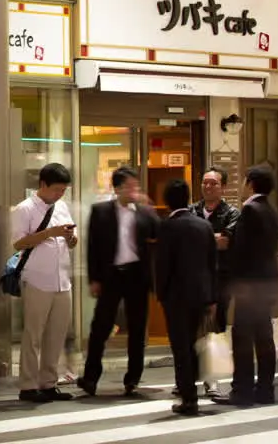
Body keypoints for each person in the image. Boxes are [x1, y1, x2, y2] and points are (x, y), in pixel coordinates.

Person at [78, 167, 159, 397]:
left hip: (136, 275)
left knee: (136, 328)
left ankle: (133, 378)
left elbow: (158, 233)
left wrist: (149, 207)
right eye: (128, 186)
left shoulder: (144, 212)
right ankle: (90, 377)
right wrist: (94, 278)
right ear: (116, 188)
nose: (133, 190)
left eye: (135, 185)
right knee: (100, 327)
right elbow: (92, 247)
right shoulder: (101, 211)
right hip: (111, 275)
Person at [215, 164, 278, 407]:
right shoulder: (271, 210)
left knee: (242, 338)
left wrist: (226, 247)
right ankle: (265, 389)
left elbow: (241, 250)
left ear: (251, 183)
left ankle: (242, 390)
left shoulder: (250, 209)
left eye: (244, 181)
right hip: (268, 282)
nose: (242, 186)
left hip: (250, 284)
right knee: (264, 337)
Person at [10, 162, 78, 403]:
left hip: (62, 280)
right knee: (33, 335)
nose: (60, 194)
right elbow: (18, 244)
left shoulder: (61, 206)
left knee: (56, 335)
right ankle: (28, 385)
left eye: (63, 190)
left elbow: (71, 240)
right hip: (37, 279)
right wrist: (50, 233)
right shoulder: (24, 209)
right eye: (56, 189)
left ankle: (49, 383)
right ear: (42, 185)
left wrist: (71, 237)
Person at [156, 179, 218, 416]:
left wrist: (160, 292)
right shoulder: (203, 226)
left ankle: (189, 398)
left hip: (176, 296)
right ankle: (195, 384)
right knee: (193, 343)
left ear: (167, 201)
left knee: (180, 347)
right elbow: (212, 264)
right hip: (201, 294)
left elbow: (163, 265)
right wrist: (212, 297)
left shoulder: (168, 227)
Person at [191, 166, 240, 396]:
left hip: (221, 278)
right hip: (194, 277)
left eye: (213, 183)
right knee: (191, 328)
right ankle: (187, 378)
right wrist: (213, 238)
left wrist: (199, 238)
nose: (208, 187)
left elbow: (226, 242)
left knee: (216, 327)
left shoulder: (232, 213)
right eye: (205, 182)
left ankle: (212, 380)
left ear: (224, 187)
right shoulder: (192, 210)